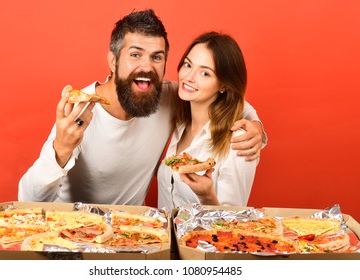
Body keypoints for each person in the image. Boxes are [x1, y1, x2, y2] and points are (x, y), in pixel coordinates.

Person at [18, 9, 265, 205]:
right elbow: (27, 200)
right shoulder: (80, 110)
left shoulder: (165, 96)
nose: (147, 67)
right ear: (113, 60)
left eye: (156, 57)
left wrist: (255, 125)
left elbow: (224, 98)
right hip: (73, 238)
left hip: (135, 238)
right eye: (135, 54)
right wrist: (60, 150)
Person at [157, 32, 258, 212]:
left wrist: (207, 197)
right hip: (163, 238)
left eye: (205, 73)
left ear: (223, 85)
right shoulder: (180, 122)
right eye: (188, 64)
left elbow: (232, 223)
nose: (189, 77)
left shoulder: (238, 142)